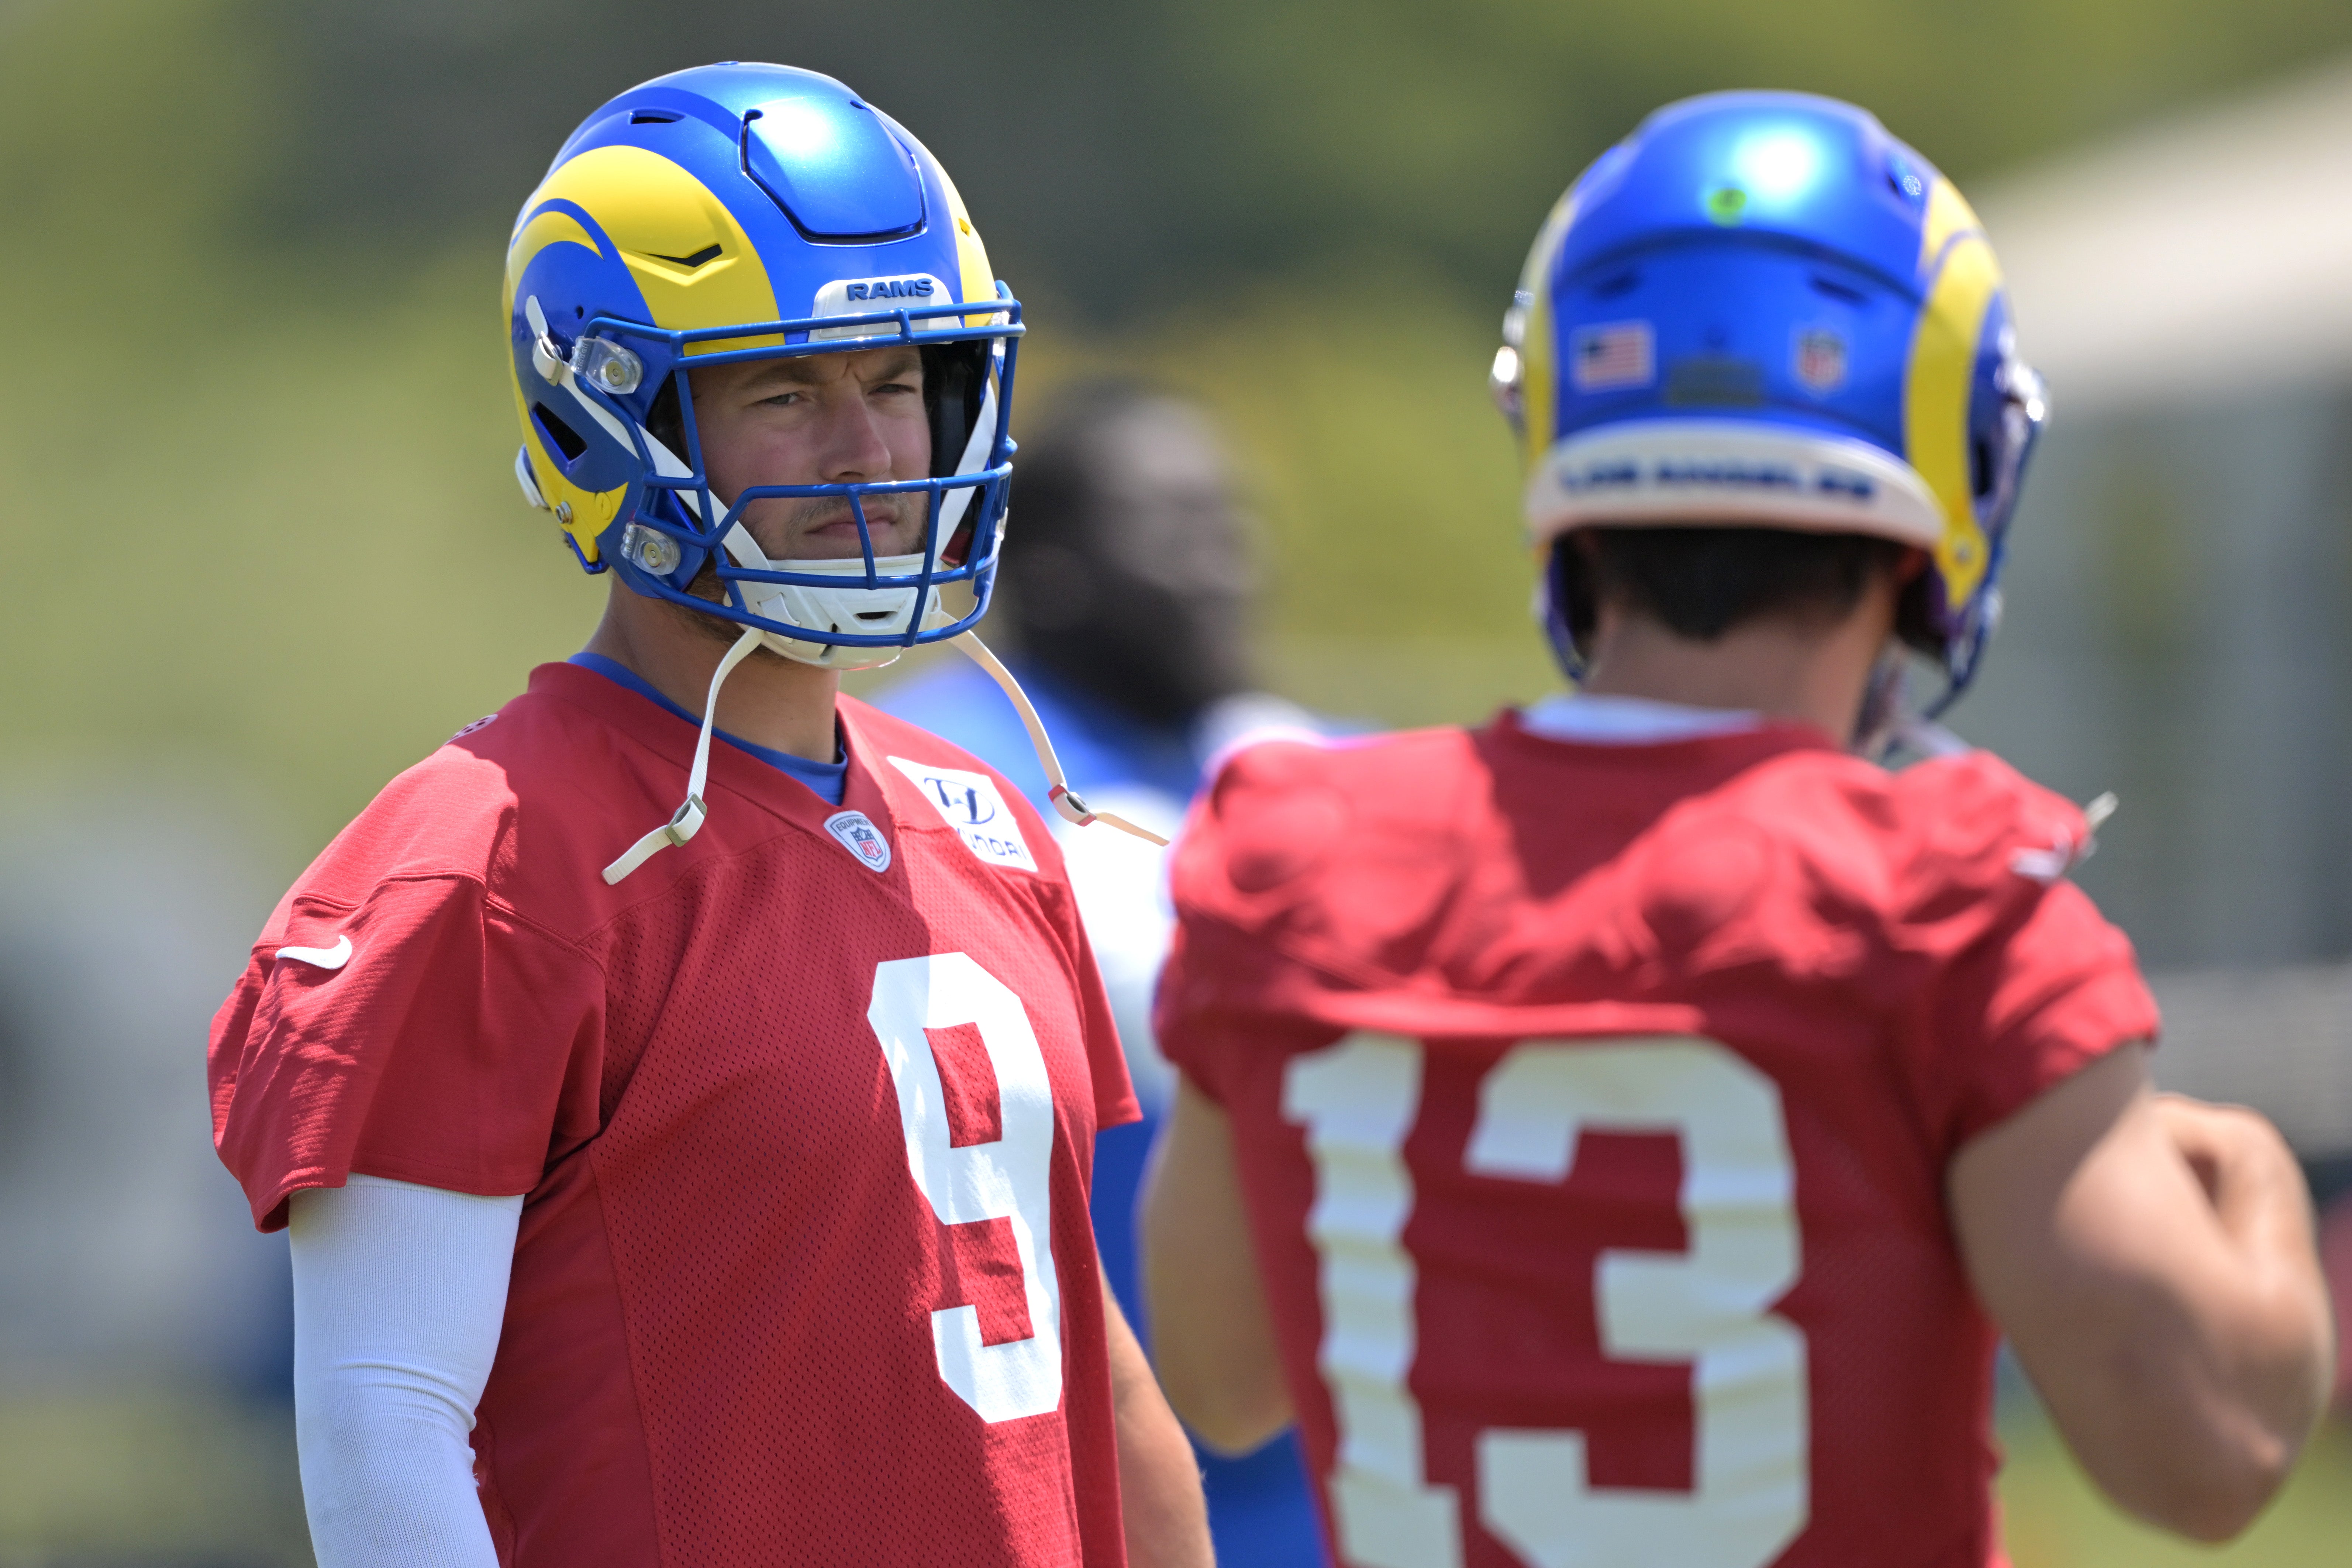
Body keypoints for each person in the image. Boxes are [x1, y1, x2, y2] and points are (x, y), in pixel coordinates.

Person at [1139, 90, 2335, 1568]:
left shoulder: (1297, 849)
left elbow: (1224, 1375)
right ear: (1954, 453)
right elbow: (2207, 1456)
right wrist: (2258, 1187)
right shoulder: (1945, 896)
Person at [207, 62, 1208, 1568]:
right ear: (608, 410)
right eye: (786, 391)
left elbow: (1085, 1358)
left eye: (897, 382)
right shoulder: (482, 864)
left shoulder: (986, 817)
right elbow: (385, 1423)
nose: (869, 455)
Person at [875, 383, 1329, 1567]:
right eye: (1175, 528)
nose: (1226, 563)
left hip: (1316, 1474)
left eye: (1231, 521)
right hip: (1054, 1476)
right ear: (1055, 566)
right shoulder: (934, 762)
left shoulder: (1302, 751)